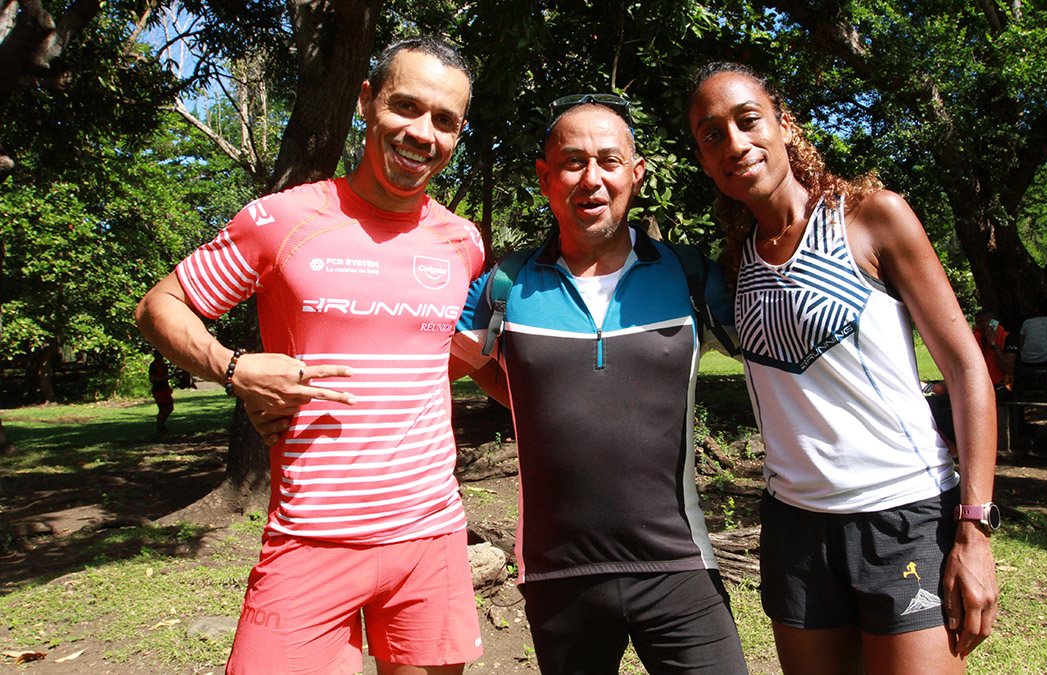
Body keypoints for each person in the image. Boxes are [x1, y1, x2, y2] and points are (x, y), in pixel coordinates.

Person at [135, 37, 485, 675]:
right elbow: (160, 305)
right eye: (405, 106)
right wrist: (235, 370)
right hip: (309, 537)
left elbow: (431, 353)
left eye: (445, 120)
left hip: (430, 536)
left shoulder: (462, 242)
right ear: (365, 101)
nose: (422, 133)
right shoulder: (283, 220)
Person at [687, 62, 998, 674]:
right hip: (795, 531)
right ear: (702, 159)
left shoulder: (870, 218)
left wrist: (975, 527)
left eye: (748, 121)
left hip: (904, 516)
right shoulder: (735, 262)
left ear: (783, 122)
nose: (735, 144)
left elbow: (965, 368)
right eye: (711, 135)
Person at [448, 96, 748, 674]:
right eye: (572, 162)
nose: (593, 179)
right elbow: (453, 364)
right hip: (558, 575)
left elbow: (773, 357)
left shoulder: (688, 276)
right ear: (545, 177)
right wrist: (526, 403)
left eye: (609, 161)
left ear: (635, 174)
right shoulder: (505, 285)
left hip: (680, 567)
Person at [149, 350, 174, 433]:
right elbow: (152, 379)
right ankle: (160, 426)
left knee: (170, 407)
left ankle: (162, 424)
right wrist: (163, 379)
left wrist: (168, 386)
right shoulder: (153, 366)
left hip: (164, 388)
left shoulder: (163, 365)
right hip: (158, 390)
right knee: (163, 409)